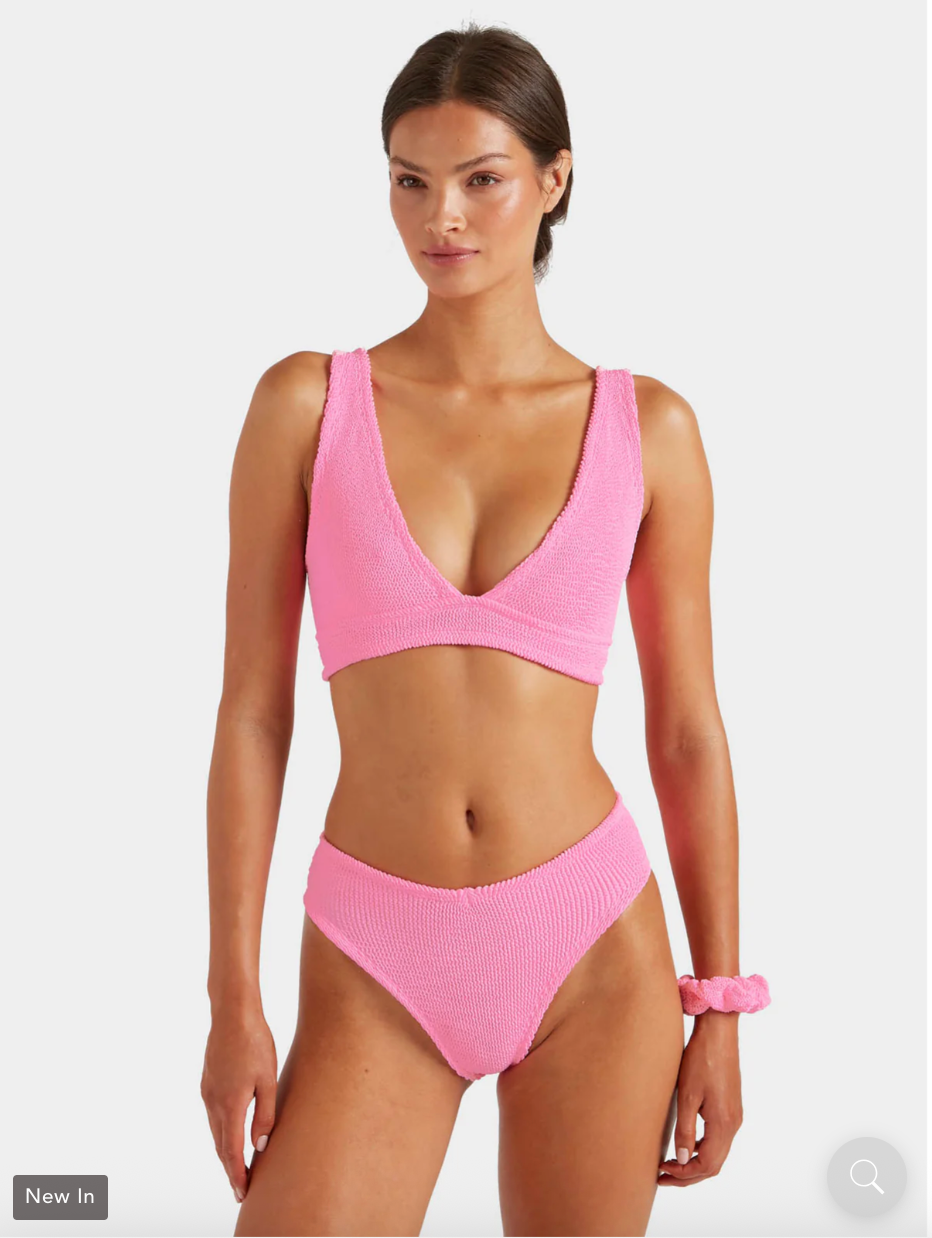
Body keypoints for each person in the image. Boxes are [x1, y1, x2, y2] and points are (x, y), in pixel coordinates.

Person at [200, 21, 770, 1238]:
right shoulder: (306, 404)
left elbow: (685, 730)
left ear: (553, 179)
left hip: (591, 941)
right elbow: (251, 713)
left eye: (480, 179)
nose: (440, 218)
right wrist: (230, 994)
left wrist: (718, 1004)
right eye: (409, 181)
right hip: (375, 943)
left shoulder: (647, 428)